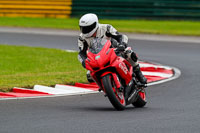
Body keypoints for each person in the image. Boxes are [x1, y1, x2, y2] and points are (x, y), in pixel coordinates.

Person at [77, 13, 147, 84]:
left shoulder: (106, 28)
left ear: (95, 24)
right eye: (83, 28)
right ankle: (106, 88)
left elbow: (121, 36)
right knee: (89, 75)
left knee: (129, 53)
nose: (85, 30)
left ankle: (139, 73)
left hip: (114, 51)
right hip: (98, 59)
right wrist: (84, 62)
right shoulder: (82, 38)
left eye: (88, 28)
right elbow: (81, 53)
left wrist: (122, 44)